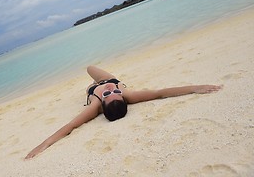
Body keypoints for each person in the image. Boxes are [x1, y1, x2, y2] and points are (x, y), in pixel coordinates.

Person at [25, 65, 222, 159]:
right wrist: (195, 87)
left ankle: (93, 84)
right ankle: (100, 80)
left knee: (90, 72)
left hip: (92, 89)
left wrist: (42, 146)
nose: (112, 90)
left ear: (102, 104)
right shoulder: (126, 94)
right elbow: (161, 93)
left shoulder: (94, 105)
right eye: (116, 92)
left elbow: (69, 126)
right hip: (109, 76)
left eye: (112, 92)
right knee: (90, 67)